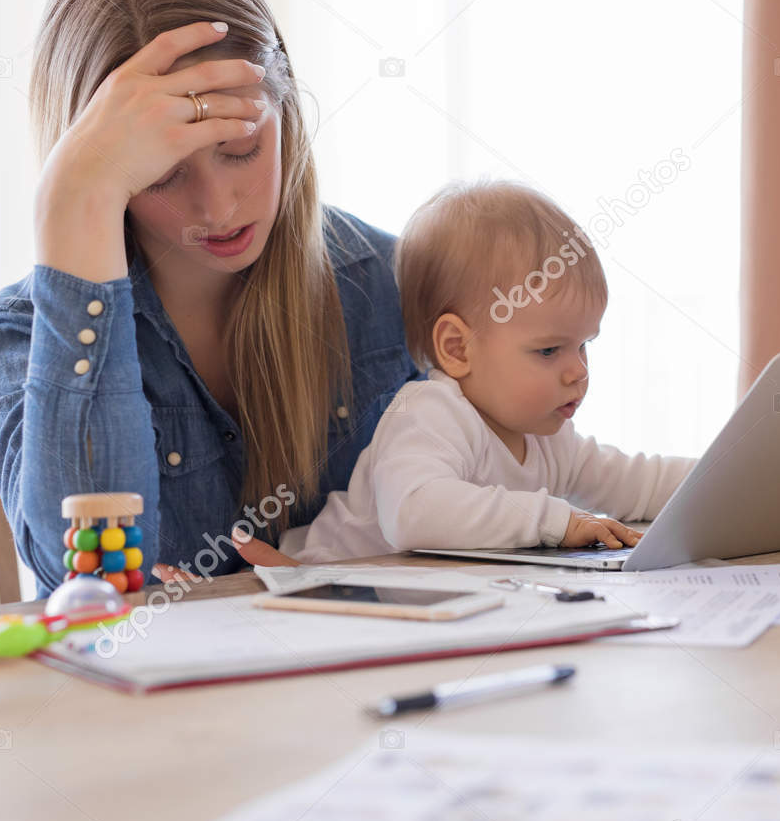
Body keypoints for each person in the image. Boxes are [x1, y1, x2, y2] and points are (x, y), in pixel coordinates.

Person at [0, 0, 418, 595]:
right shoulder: (24, 334)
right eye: (160, 174)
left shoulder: (390, 283)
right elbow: (92, 587)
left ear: (285, 108)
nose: (217, 207)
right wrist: (69, 204)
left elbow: (506, 508)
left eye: (240, 148)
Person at [273, 180, 697, 563]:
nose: (578, 372)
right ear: (458, 348)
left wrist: (734, 479)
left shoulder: (548, 437)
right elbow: (413, 513)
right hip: (318, 587)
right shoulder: (428, 413)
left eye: (584, 344)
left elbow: (638, 482)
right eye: (549, 350)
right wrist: (555, 521)